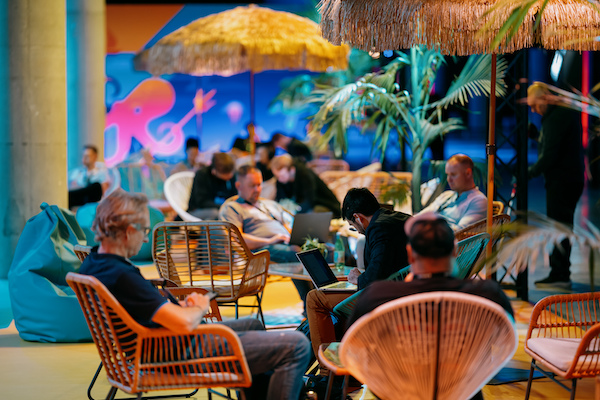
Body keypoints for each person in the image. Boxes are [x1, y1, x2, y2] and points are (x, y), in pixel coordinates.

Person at [79, 189, 311, 400]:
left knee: (253, 324)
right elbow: (183, 323)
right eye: (145, 231)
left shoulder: (95, 264)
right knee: (296, 345)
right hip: (172, 351)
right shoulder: (121, 275)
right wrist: (198, 307)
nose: (147, 239)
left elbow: (147, 310)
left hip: (153, 346)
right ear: (129, 231)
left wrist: (176, 306)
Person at [305, 187, 410, 360]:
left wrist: (357, 278)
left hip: (390, 296)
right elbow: (386, 263)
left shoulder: (378, 228)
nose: (358, 230)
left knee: (315, 298)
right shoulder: (397, 218)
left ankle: (327, 371)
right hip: (402, 286)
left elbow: (374, 278)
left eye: (353, 226)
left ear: (358, 218)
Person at [219, 165, 313, 309]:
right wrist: (270, 240)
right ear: (239, 185)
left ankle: (328, 300)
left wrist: (298, 235)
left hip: (286, 243)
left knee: (326, 250)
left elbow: (287, 227)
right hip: (260, 250)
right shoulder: (233, 208)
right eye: (252, 185)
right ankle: (311, 306)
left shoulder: (269, 205)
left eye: (259, 184)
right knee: (295, 253)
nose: (257, 189)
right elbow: (236, 239)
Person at [527, 82, 584, 289]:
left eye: (534, 105)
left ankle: (559, 274)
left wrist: (528, 174)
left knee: (559, 228)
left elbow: (550, 155)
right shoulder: (560, 114)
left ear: (544, 98)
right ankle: (560, 272)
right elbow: (554, 145)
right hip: (570, 179)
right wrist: (536, 136)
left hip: (563, 181)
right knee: (561, 227)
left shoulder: (555, 118)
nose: (534, 110)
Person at [420, 154, 487, 231]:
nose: (449, 179)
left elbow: (461, 232)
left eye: (453, 174)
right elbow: (421, 216)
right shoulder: (446, 195)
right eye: (447, 174)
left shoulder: (478, 201)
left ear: (468, 173)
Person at [270, 154, 341, 218]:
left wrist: (294, 214)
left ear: (292, 170)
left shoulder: (305, 174)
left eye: (282, 176)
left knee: (310, 214)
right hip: (308, 207)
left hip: (327, 207)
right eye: (277, 176)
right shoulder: (282, 180)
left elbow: (309, 201)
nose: (279, 180)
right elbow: (281, 199)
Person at [188, 152, 237, 220]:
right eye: (225, 174)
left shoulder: (231, 176)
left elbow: (234, 195)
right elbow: (202, 202)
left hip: (222, 208)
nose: (229, 176)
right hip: (198, 210)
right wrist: (223, 207)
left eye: (230, 173)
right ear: (214, 171)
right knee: (217, 214)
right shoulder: (202, 175)